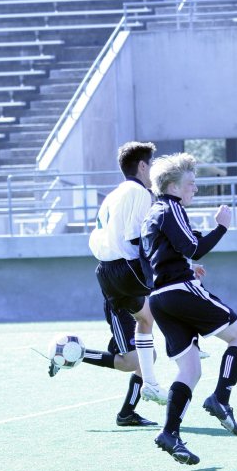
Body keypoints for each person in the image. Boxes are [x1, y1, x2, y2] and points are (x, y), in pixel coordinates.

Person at [140, 152, 237, 465]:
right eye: (191, 183)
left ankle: (169, 433)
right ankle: (221, 398)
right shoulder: (171, 206)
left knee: (190, 369)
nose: (195, 189)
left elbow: (164, 254)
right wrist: (221, 228)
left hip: (160, 299)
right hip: (180, 293)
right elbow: (193, 245)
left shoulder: (154, 212)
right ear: (173, 186)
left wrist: (187, 266)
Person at [88, 140, 168, 412]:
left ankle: (128, 412)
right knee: (134, 356)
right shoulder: (140, 193)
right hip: (124, 270)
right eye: (152, 164)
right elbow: (136, 237)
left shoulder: (114, 194)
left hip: (109, 269)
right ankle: (189, 336)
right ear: (143, 166)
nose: (154, 170)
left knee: (144, 352)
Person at [48, 300, 158, 427]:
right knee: (136, 360)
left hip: (136, 302)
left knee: (148, 356)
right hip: (122, 302)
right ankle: (67, 354)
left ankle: (126, 413)